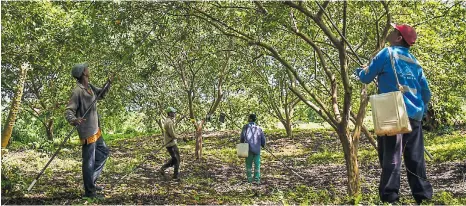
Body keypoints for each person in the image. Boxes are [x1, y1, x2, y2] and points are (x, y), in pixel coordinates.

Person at [356, 23, 433, 204]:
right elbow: (426, 93)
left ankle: (390, 198)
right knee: (415, 158)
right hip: (414, 116)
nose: (390, 32)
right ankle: (423, 197)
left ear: (399, 38)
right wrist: (420, 108)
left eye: (394, 31)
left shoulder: (387, 53)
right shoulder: (414, 61)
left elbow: (366, 77)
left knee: (391, 156)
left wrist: (360, 70)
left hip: (393, 113)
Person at [65, 63, 112, 198]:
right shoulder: (77, 91)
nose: (88, 69)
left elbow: (101, 95)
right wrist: (74, 120)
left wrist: (107, 84)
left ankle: (90, 182)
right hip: (87, 131)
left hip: (96, 129)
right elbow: (69, 110)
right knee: (89, 161)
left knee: (103, 152)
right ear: (83, 73)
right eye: (87, 68)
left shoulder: (90, 87)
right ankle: (90, 192)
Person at [240, 114, 266, 184]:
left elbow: (242, 137)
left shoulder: (245, 127)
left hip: (249, 149)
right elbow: (263, 139)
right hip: (257, 149)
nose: (247, 118)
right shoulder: (259, 128)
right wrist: (263, 145)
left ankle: (250, 179)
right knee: (257, 164)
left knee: (248, 164)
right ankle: (257, 179)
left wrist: (241, 144)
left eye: (248, 117)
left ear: (250, 119)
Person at [159, 107, 180, 181]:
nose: (174, 114)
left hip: (169, 143)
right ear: (169, 113)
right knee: (177, 160)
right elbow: (173, 134)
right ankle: (175, 176)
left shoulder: (167, 120)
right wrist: (179, 137)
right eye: (173, 112)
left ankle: (163, 168)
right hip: (171, 144)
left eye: (174, 112)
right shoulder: (169, 122)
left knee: (174, 159)